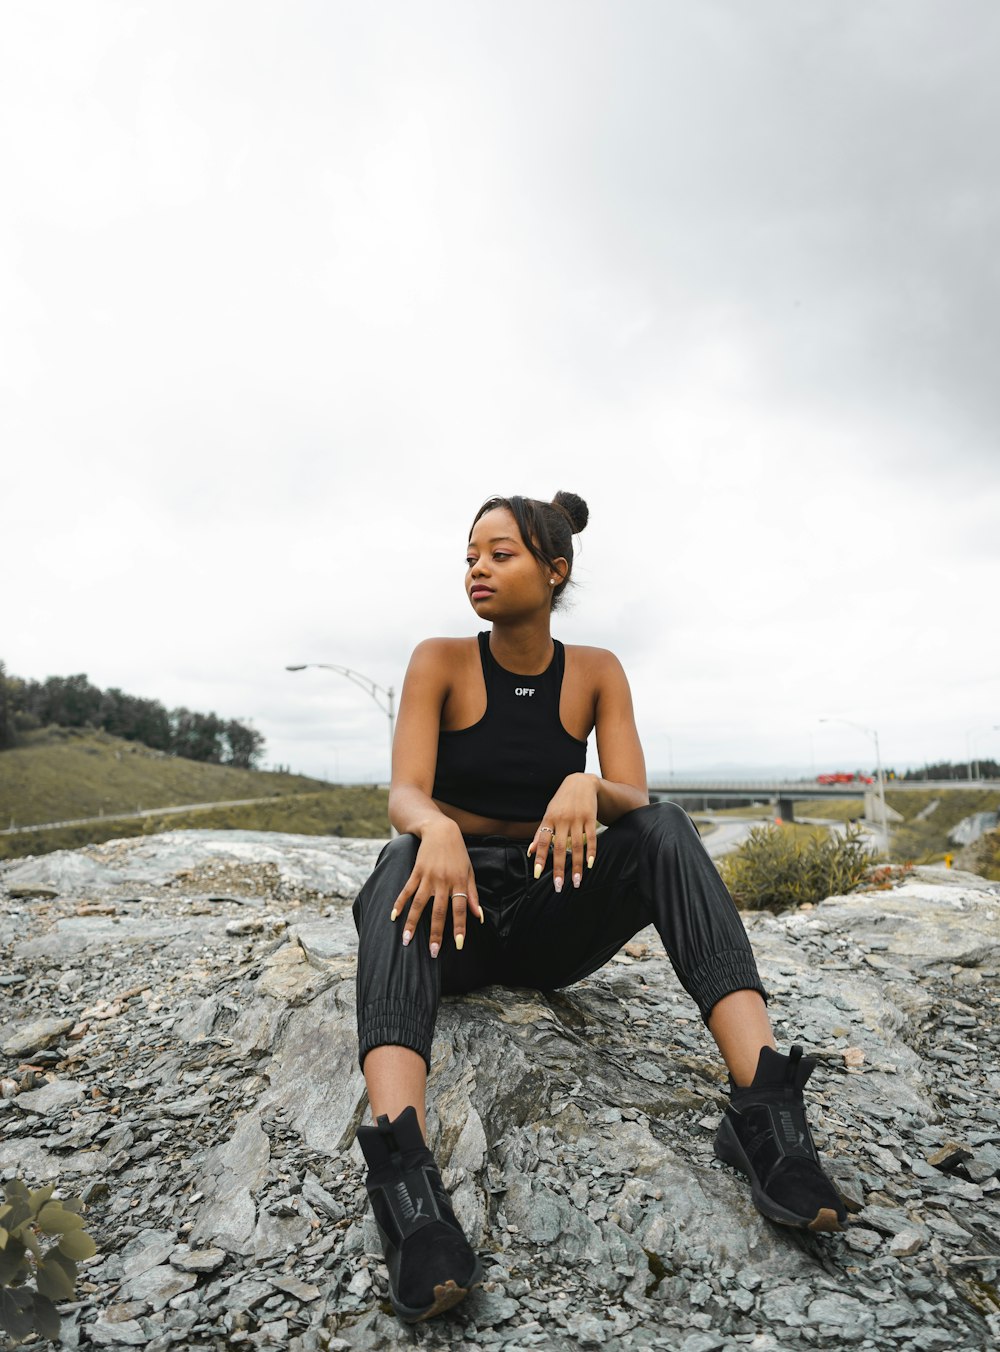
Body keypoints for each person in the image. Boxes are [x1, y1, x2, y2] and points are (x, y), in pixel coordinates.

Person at [353, 492, 846, 1324]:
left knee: (664, 830)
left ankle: (766, 1113)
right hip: (454, 921)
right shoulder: (438, 660)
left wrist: (585, 783)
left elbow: (637, 799)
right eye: (470, 554)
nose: (477, 566)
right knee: (400, 855)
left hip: (553, 918)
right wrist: (433, 825)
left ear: (555, 570)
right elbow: (405, 790)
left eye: (499, 553)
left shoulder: (596, 671)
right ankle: (407, 1184)